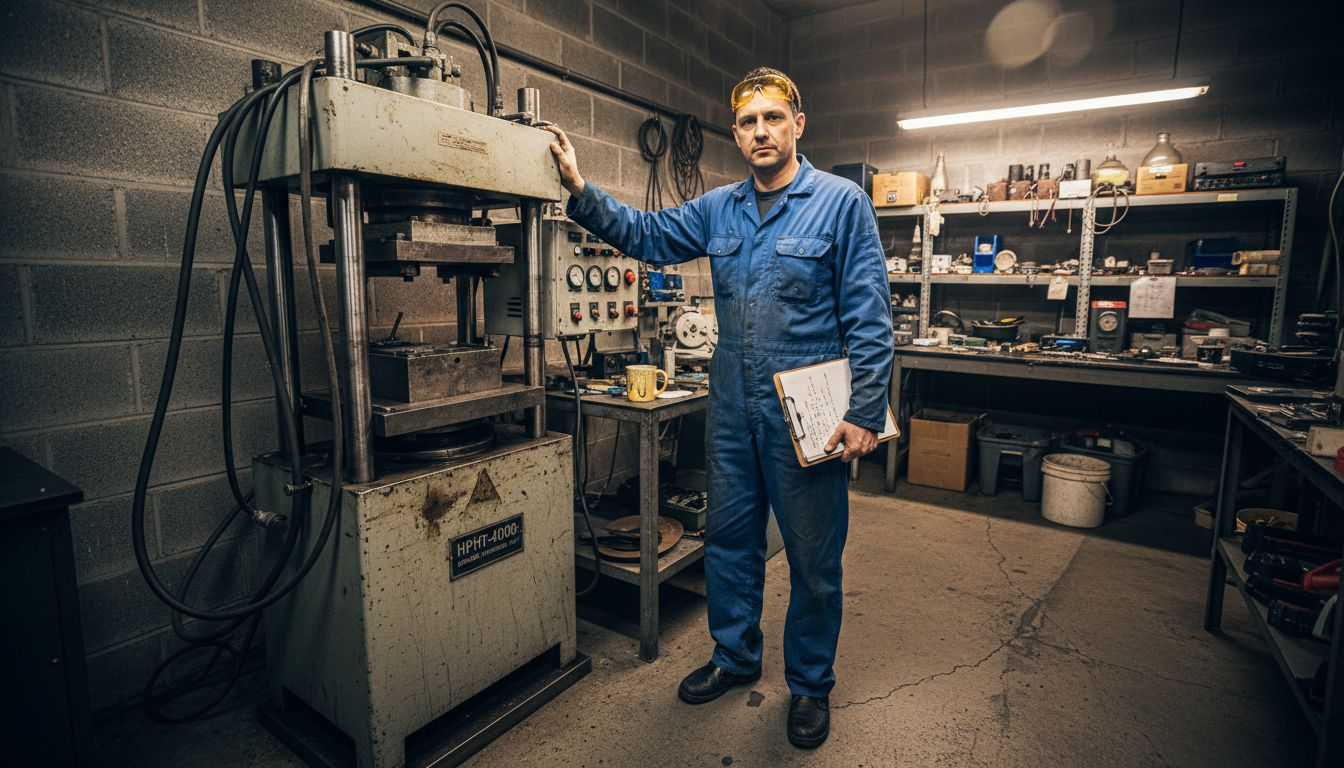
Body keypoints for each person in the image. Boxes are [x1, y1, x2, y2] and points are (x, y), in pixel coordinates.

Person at [543, 67, 892, 749]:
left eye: (773, 117)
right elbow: (645, 235)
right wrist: (580, 191)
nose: (761, 131)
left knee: (815, 562)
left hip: (810, 417)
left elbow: (869, 317)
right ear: (735, 133)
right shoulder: (720, 207)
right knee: (730, 546)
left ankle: (811, 685)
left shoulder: (842, 203)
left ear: (798, 124)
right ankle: (734, 657)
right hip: (733, 410)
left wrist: (867, 411)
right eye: (747, 122)